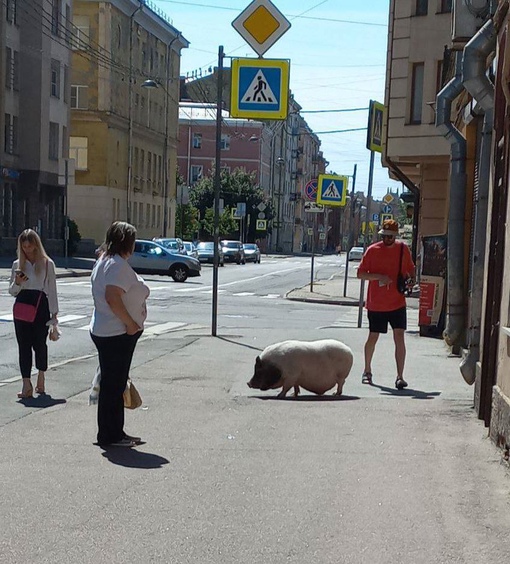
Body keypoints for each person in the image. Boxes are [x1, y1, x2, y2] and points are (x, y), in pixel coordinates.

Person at [90, 221, 149, 447]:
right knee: (113, 387)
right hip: (116, 332)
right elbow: (112, 297)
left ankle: (115, 432)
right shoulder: (115, 265)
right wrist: (131, 324)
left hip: (106, 330)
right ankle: (110, 435)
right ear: (128, 243)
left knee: (112, 385)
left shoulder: (105, 261)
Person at [357, 219, 415, 390]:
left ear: (395, 236)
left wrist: (411, 280)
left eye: (391, 236)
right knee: (373, 337)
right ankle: (367, 370)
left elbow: (411, 270)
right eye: (385, 236)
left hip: (397, 302)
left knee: (399, 337)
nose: (388, 239)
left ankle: (400, 376)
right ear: (381, 234)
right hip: (377, 304)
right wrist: (379, 277)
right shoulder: (372, 250)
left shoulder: (403, 249)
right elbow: (360, 274)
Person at [9, 229, 59, 398]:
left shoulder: (46, 263)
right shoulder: (17, 264)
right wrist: (17, 283)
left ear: (36, 246)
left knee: (39, 344)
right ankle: (25, 384)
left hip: (40, 306)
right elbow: (12, 291)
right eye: (24, 247)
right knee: (23, 346)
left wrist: (54, 317)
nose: (27, 251)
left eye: (30, 247)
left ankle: (41, 377)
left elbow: (52, 290)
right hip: (22, 305)